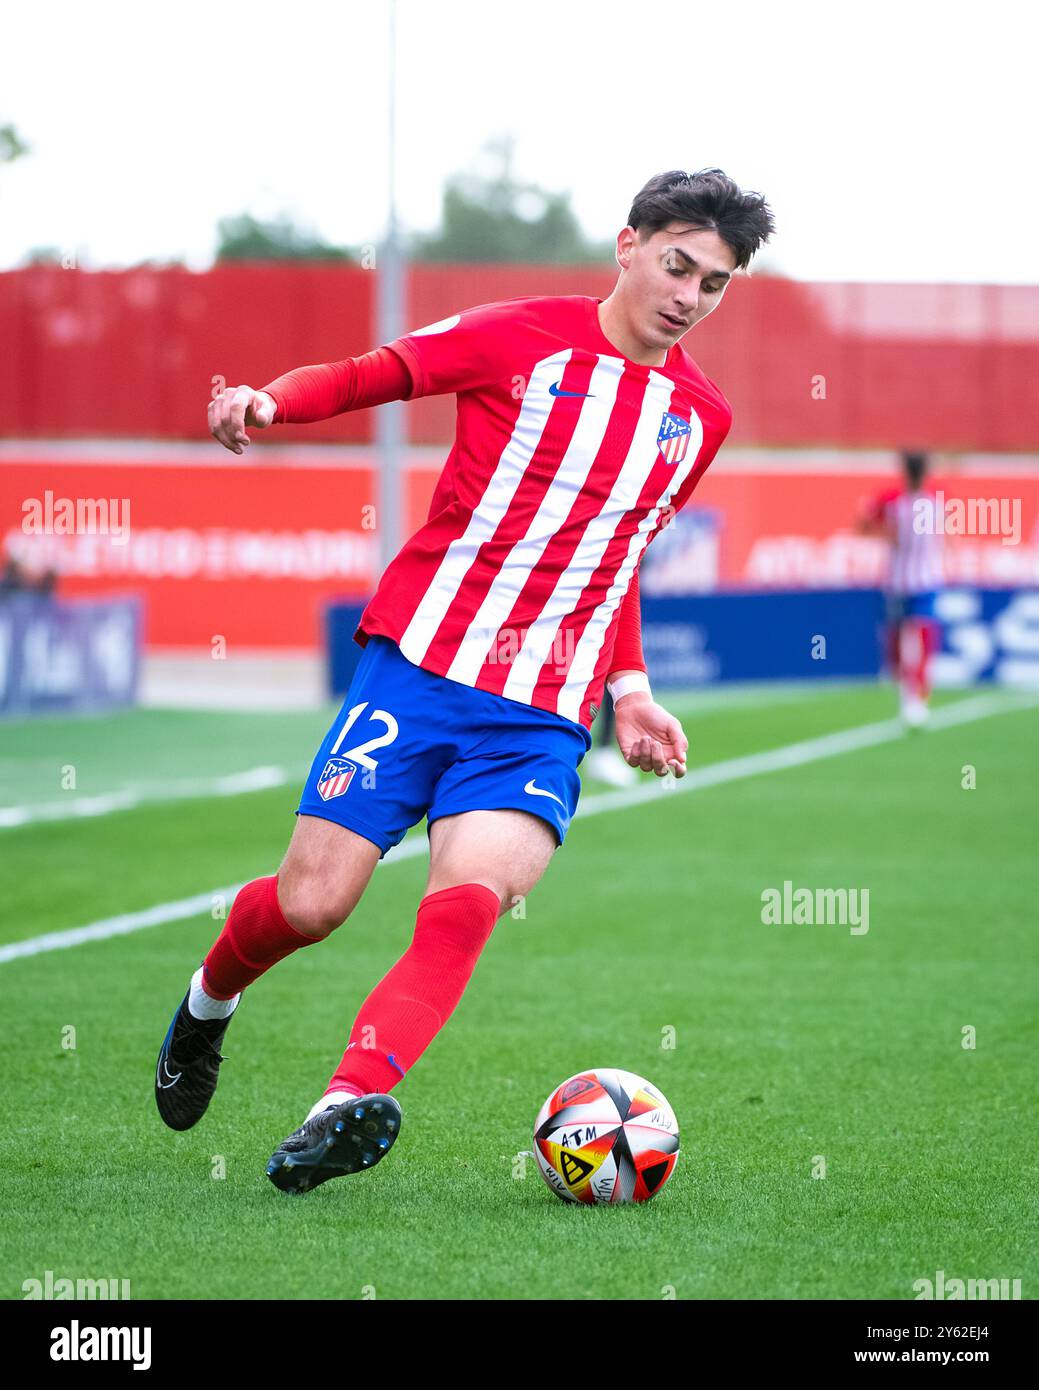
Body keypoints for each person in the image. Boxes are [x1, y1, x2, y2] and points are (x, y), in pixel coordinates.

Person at [155, 168, 775, 1193]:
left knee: (465, 901)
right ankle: (206, 1004)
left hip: (539, 713)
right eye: (677, 265)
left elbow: (613, 556)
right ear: (627, 246)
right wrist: (271, 401)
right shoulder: (517, 335)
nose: (688, 295)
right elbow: (373, 373)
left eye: (713, 284)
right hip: (418, 674)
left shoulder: (695, 419)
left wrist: (626, 688)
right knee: (313, 905)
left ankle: (339, 1107)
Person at [857, 450, 943, 727]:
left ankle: (915, 695)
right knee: (899, 637)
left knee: (918, 634)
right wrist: (886, 533)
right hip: (899, 581)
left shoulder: (934, 501)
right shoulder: (893, 502)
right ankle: (904, 683)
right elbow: (864, 526)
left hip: (922, 580)